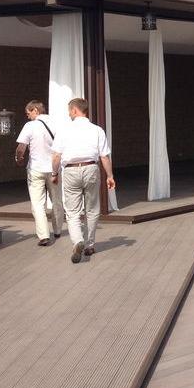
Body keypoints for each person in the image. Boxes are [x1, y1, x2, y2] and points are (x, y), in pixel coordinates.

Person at [50, 98, 116, 264]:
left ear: (74, 110)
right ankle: (89, 245)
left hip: (71, 170)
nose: (68, 114)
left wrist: (54, 173)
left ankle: (78, 240)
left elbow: (56, 156)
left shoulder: (64, 131)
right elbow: (104, 156)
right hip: (91, 168)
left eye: (69, 111)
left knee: (72, 212)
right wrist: (110, 176)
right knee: (92, 209)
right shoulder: (97, 130)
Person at [15, 100, 63, 246]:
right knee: (56, 200)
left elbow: (21, 147)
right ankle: (57, 230)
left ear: (35, 110)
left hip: (35, 169)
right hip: (54, 169)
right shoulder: (56, 123)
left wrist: (19, 158)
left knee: (37, 203)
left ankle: (44, 236)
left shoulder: (29, 126)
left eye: (28, 113)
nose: (27, 116)